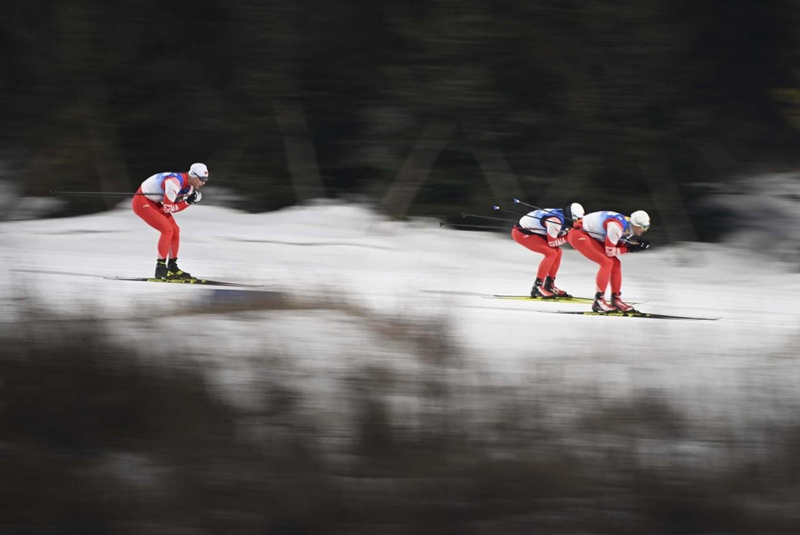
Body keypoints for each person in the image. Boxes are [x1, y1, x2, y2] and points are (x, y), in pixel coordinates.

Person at [131, 163, 209, 280]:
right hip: (141, 200)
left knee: (175, 230)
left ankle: (172, 266)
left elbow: (172, 205)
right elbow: (168, 209)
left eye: (205, 180)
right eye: (202, 179)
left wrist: (187, 201)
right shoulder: (174, 183)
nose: (203, 183)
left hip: (154, 201)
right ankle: (160, 268)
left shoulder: (189, 187)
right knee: (167, 230)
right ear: (193, 176)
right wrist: (188, 202)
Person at [566, 209, 650, 312]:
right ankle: (599, 301)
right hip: (578, 234)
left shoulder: (628, 226)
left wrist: (633, 244)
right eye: (644, 227)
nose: (645, 230)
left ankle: (616, 299)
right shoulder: (616, 226)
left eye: (647, 227)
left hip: (589, 235)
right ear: (636, 224)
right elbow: (610, 251)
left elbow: (616, 243)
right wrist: (629, 248)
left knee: (616, 263)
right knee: (606, 262)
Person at [512, 202, 585, 298]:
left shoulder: (564, 218)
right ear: (571, 216)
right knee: (551, 253)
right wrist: (569, 235)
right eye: (577, 219)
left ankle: (549, 285)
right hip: (521, 233)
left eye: (581, 219)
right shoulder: (555, 221)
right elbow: (552, 243)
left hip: (535, 231)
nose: (578, 222)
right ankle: (537, 287)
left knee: (558, 252)